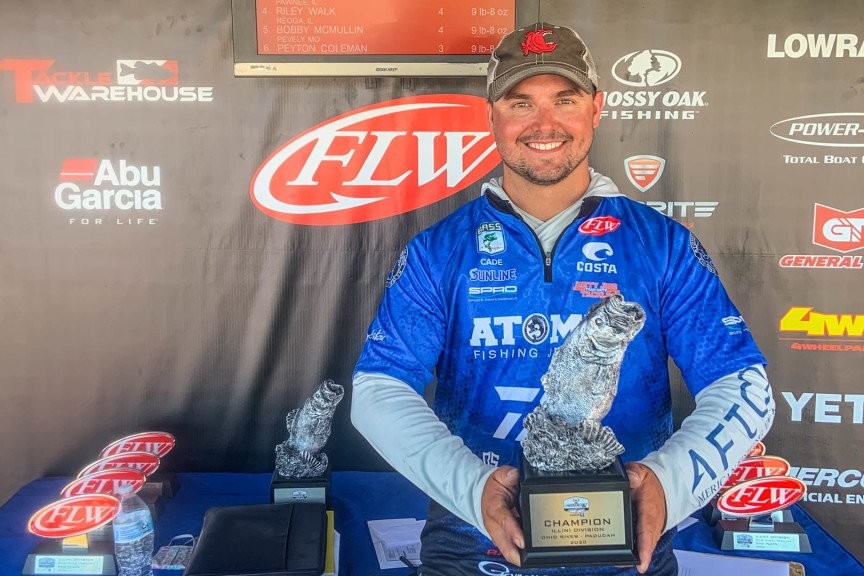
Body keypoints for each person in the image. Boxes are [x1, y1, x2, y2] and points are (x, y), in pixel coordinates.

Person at [352, 21, 775, 576]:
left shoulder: (662, 245)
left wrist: (667, 485)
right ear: (492, 116)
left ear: (596, 109)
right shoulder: (439, 251)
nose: (544, 124)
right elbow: (378, 389)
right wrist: (473, 489)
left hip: (627, 546)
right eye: (520, 102)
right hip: (471, 546)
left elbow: (742, 384)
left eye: (565, 99)